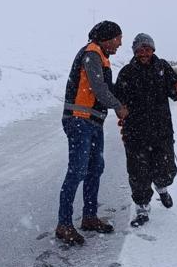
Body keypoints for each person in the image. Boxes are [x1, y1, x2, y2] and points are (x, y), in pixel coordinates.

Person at [55, 20, 129, 245]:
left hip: (93, 122)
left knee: (95, 168)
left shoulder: (102, 57)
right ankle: (63, 224)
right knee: (77, 171)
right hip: (79, 121)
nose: (119, 44)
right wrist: (118, 106)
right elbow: (98, 88)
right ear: (107, 37)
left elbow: (106, 89)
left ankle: (89, 217)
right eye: (118, 39)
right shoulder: (92, 54)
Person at [114, 33, 177, 227]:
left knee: (165, 168)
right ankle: (142, 207)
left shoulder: (162, 67)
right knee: (138, 172)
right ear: (135, 52)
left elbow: (175, 92)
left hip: (161, 129)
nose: (143, 53)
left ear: (153, 49)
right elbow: (117, 98)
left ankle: (162, 188)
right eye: (139, 50)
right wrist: (121, 109)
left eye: (146, 49)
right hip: (135, 132)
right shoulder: (127, 72)